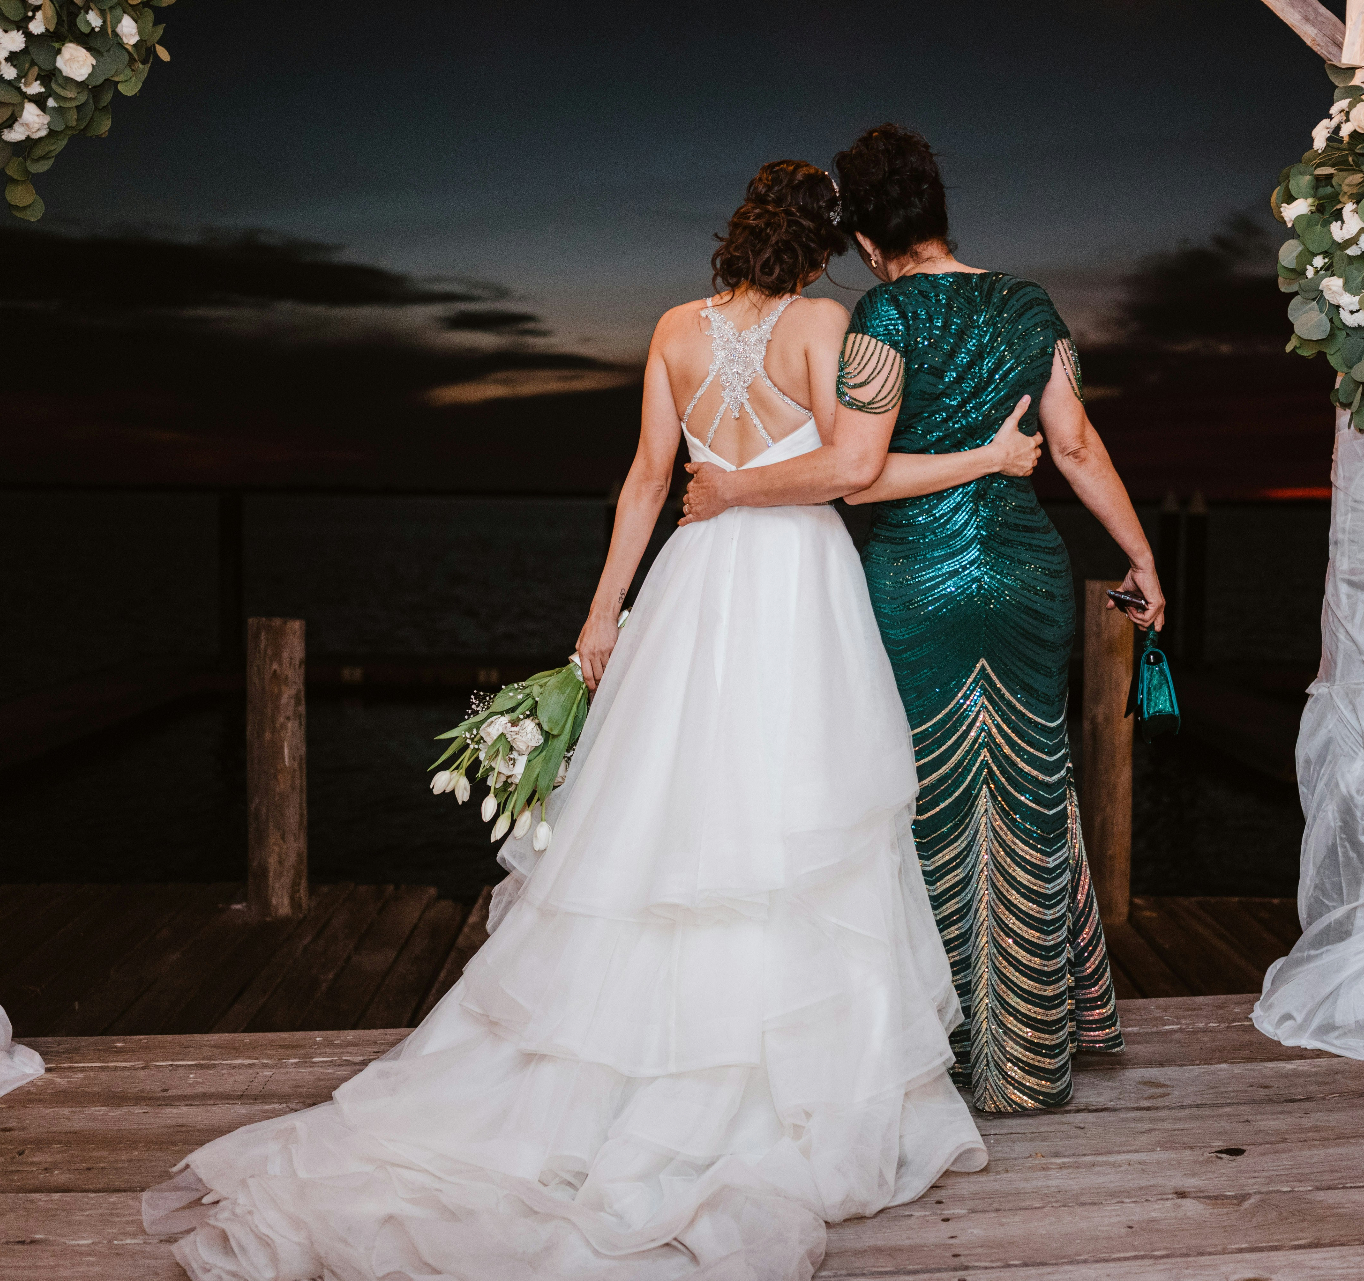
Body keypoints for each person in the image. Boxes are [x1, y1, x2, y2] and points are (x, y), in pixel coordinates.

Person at [140, 159, 1040, 1281]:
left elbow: (644, 484)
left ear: (738, 231)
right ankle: (776, 1079)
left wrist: (601, 619)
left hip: (694, 581)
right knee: (789, 815)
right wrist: (992, 457)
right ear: (822, 246)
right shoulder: (828, 325)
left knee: (668, 816)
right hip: (796, 587)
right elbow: (849, 472)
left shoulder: (672, 330)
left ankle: (635, 1066)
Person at [679, 125, 1166, 1114]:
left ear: (864, 242)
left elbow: (853, 474)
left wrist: (732, 490)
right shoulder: (1030, 305)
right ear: (941, 214)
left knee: (915, 808)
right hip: (1027, 575)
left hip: (917, 585)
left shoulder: (881, 321)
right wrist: (1142, 555)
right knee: (1030, 800)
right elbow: (1075, 447)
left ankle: (936, 1051)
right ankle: (1033, 1056)